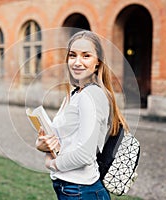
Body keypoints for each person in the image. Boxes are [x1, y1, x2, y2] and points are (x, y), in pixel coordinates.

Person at [35, 30, 128, 199]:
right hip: (70, 187)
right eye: (73, 55)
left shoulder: (90, 96)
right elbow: (60, 138)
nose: (77, 62)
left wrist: (52, 163)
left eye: (86, 56)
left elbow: (85, 155)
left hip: (82, 190)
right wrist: (41, 145)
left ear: (98, 62)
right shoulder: (74, 93)